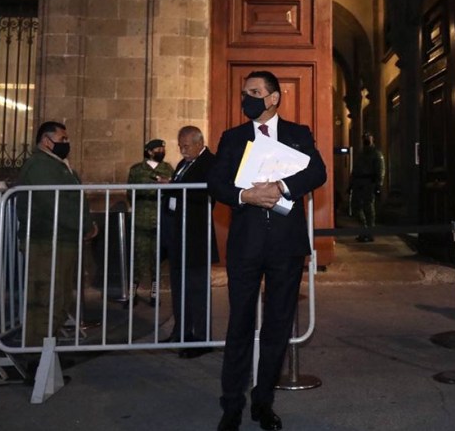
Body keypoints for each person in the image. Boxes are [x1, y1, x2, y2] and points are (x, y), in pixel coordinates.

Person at [207, 70, 327, 431]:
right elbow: (216, 183)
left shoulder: (298, 134)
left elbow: (317, 172)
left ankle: (263, 402)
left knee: (277, 326)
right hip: (245, 245)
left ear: (273, 98)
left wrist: (282, 187)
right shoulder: (232, 138)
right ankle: (232, 405)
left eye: (255, 92)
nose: (247, 98)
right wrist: (245, 195)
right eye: (245, 92)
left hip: (286, 247)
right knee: (239, 325)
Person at [16, 121, 97, 346]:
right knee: (46, 299)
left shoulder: (56, 165)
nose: (66, 143)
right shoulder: (40, 166)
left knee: (60, 299)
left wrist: (86, 223)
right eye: (62, 139)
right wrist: (84, 225)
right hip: (46, 242)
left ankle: (48, 351)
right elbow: (55, 203)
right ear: (46, 140)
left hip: (62, 240)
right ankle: (36, 353)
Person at [163, 125, 218, 358]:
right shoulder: (183, 164)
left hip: (196, 236)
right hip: (178, 233)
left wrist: (173, 187)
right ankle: (181, 332)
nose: (182, 150)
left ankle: (201, 337)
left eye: (186, 146)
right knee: (179, 287)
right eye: (180, 146)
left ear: (199, 143)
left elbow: (206, 194)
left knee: (197, 289)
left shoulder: (210, 163)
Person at [127, 139, 174, 306]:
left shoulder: (168, 169)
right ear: (149, 151)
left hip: (160, 221)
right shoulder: (136, 170)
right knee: (137, 256)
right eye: (158, 149)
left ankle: (155, 291)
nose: (161, 151)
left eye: (163, 148)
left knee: (157, 258)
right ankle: (132, 291)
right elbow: (130, 193)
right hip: (141, 221)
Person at [349, 132, 384, 242]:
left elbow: (380, 170)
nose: (366, 139)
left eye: (368, 137)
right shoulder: (361, 154)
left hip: (369, 183)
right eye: (365, 138)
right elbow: (355, 170)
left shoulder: (376, 154)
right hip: (358, 183)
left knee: (368, 208)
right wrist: (351, 184)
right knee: (356, 207)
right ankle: (364, 230)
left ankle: (369, 233)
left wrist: (378, 185)